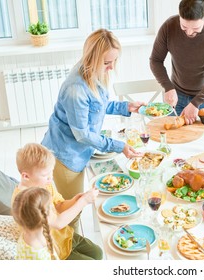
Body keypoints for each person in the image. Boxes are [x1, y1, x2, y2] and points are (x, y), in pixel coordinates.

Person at [41, 29, 144, 211]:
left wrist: (125, 107)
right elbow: (82, 135)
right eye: (107, 62)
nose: (111, 67)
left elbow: (97, 105)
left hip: (81, 150)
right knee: (72, 210)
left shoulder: (94, 72)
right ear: (92, 59)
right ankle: (68, 240)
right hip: (66, 156)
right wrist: (120, 146)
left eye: (114, 61)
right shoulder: (76, 89)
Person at [12, 143, 103, 260]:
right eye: (45, 175)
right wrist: (84, 202)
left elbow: (59, 205)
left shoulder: (45, 183)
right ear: (26, 176)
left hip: (64, 235)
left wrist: (75, 201)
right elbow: (57, 223)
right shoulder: (25, 201)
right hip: (54, 247)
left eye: (51, 171)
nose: (51, 177)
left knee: (98, 253)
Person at [149, 0, 204, 124]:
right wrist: (168, 87)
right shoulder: (169, 26)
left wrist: (196, 103)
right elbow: (155, 60)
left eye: (196, 28)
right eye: (184, 27)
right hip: (176, 96)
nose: (189, 33)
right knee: (174, 138)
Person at [12, 187, 58, 260]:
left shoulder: (28, 234)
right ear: (45, 216)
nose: (54, 208)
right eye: (51, 206)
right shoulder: (38, 256)